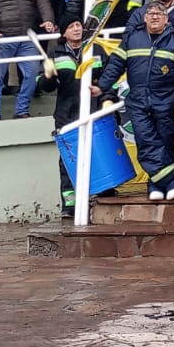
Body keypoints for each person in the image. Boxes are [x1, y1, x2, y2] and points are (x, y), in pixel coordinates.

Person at [95, 6, 174, 200]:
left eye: (159, 14)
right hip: (138, 101)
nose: (155, 17)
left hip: (167, 102)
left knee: (165, 143)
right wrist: (102, 87)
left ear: (167, 19)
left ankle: (155, 184)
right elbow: (115, 64)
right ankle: (173, 179)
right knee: (145, 142)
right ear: (145, 18)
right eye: (151, 14)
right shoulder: (132, 38)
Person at [41, 18, 100, 216]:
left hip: (92, 110)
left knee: (96, 153)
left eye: (78, 25)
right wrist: (48, 76)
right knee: (68, 158)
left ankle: (100, 194)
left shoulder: (95, 49)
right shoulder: (55, 54)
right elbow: (47, 88)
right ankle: (69, 204)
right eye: (71, 25)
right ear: (63, 33)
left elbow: (108, 75)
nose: (76, 28)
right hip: (66, 113)